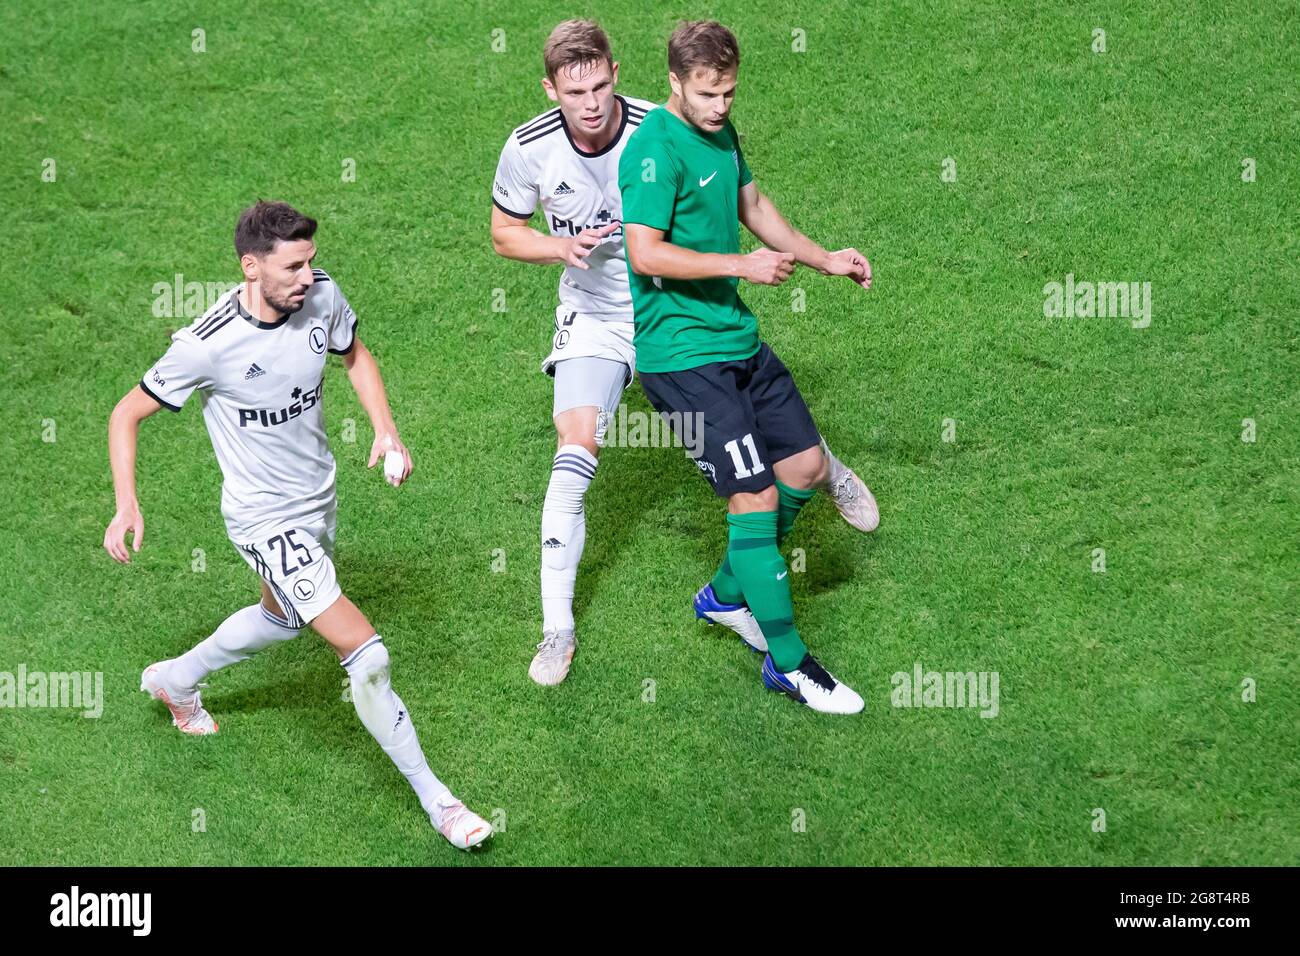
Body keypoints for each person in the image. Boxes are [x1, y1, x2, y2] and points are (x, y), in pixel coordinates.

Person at [104, 200, 492, 849]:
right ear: (250, 266)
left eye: (310, 261)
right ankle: (441, 801)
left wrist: (385, 428)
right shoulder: (208, 345)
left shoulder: (323, 296)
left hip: (318, 498)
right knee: (367, 654)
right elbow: (126, 413)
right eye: (292, 267)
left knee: (281, 618)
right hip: (262, 518)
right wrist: (127, 503)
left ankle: (177, 680)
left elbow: (356, 356)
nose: (307, 278)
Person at [619, 22, 877, 714]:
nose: (721, 105)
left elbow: (753, 206)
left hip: (735, 339)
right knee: (754, 498)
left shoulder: (721, 132)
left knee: (804, 469)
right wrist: (740, 264)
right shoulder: (651, 153)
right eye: (708, 93)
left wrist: (825, 258)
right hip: (682, 358)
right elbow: (643, 253)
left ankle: (728, 596)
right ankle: (789, 665)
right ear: (675, 81)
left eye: (729, 91)